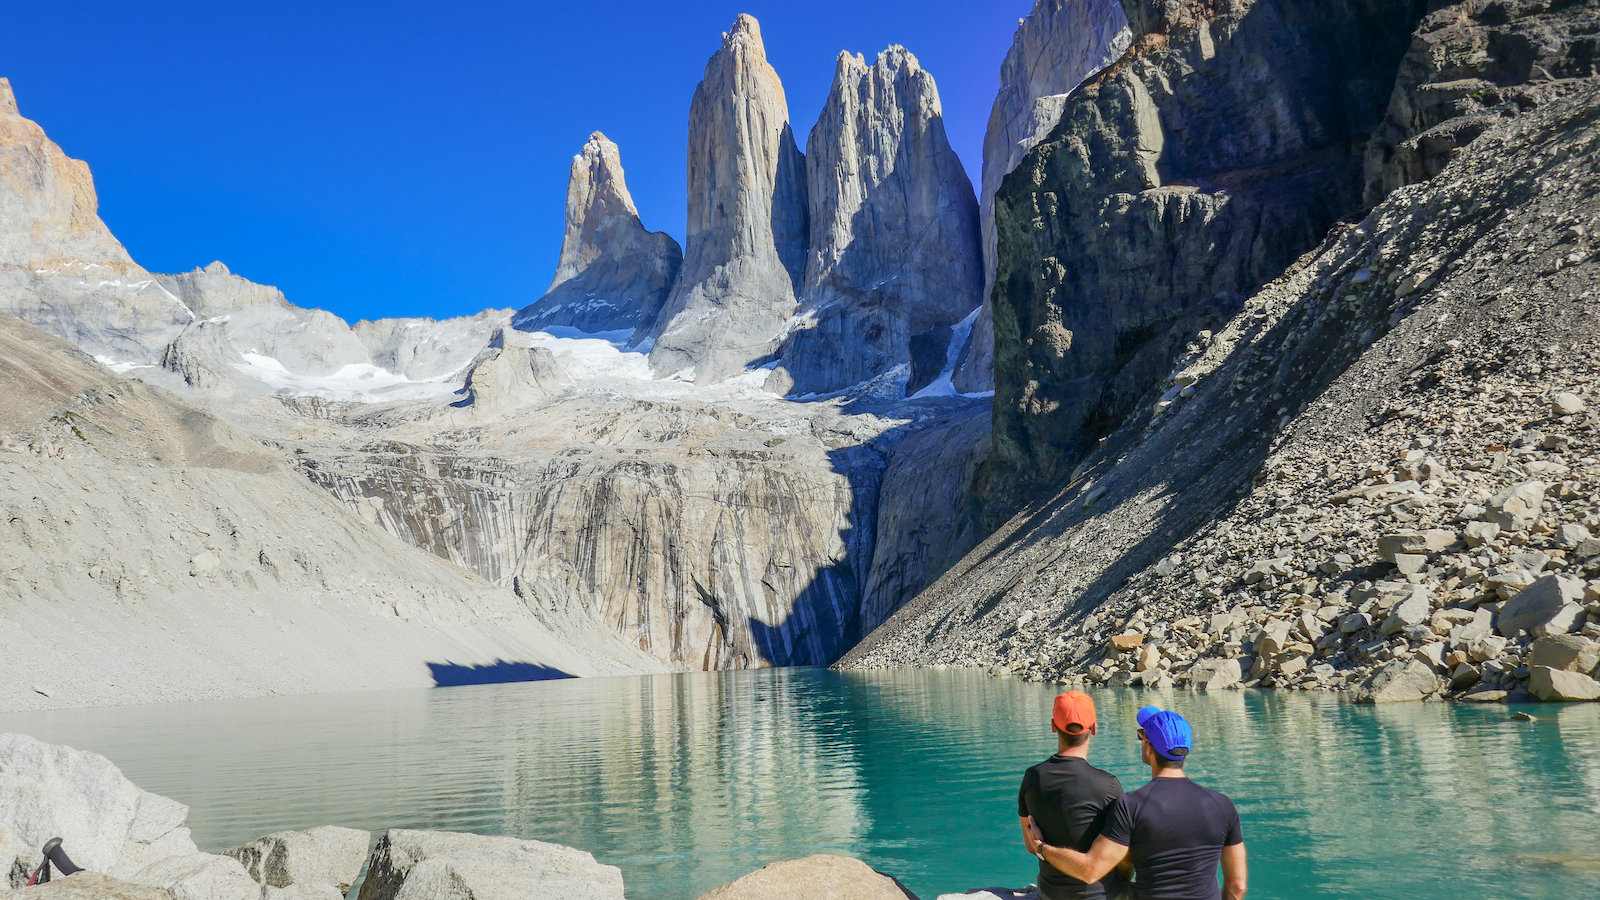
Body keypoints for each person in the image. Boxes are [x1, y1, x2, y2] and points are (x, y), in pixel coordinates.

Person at [1034, 707, 1247, 900]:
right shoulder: (1223, 805)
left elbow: (1091, 871)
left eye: (1141, 736)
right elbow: (1237, 885)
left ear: (1149, 746)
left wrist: (1042, 848)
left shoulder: (1131, 805)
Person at [1017, 691, 1127, 899]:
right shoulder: (1108, 785)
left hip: (1050, 893)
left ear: (1052, 726)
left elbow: (1031, 845)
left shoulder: (1032, 777)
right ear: (1094, 728)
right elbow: (1121, 854)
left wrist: (1043, 847)